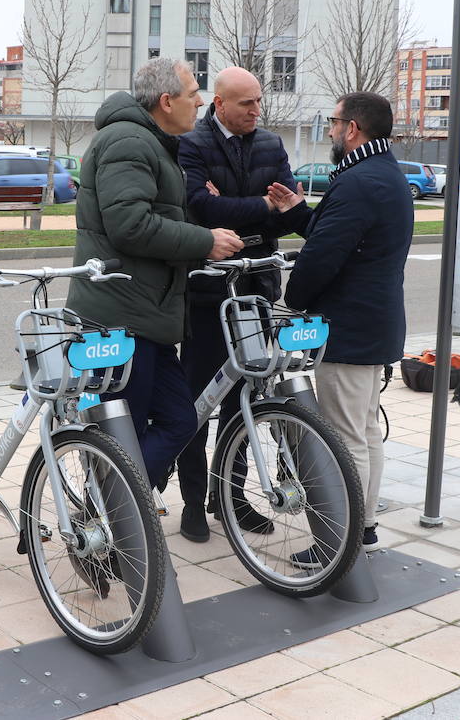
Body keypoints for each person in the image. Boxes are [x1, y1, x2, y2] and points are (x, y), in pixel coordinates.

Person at [68, 57, 244, 489]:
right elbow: (130, 226)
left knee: (179, 419)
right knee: (127, 434)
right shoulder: (129, 141)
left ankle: (119, 508)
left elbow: (156, 216)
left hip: (146, 314)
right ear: (166, 101)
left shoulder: (152, 142)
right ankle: (112, 524)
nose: (200, 102)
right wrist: (205, 241)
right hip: (122, 315)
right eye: (193, 94)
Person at [174, 66, 310, 543]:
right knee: (197, 401)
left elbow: (290, 207)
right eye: (246, 103)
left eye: (258, 102)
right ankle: (192, 501)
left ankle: (228, 498)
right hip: (208, 292)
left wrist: (251, 208)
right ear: (220, 104)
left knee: (245, 397)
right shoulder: (192, 143)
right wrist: (262, 208)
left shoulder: (271, 144)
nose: (256, 110)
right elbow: (199, 209)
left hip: (257, 290)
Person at [282, 91, 412, 557]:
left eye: (335, 123)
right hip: (373, 323)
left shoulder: (359, 181)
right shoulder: (382, 174)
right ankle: (365, 526)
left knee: (343, 435)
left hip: (350, 328)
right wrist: (297, 211)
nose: (332, 131)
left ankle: (341, 539)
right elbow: (337, 231)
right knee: (365, 430)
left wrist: (291, 299)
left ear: (352, 128)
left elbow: (324, 254)